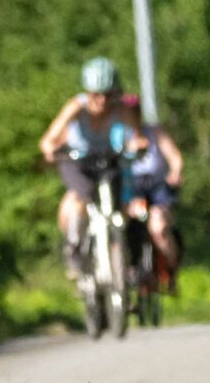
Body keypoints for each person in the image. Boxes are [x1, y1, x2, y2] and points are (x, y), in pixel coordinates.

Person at [37, 57, 150, 275]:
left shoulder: (121, 109)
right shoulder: (75, 107)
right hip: (77, 161)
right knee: (83, 194)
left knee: (121, 203)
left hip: (109, 161)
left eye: (108, 94)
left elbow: (138, 137)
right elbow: (49, 138)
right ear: (87, 92)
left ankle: (122, 256)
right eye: (95, 94)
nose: (102, 100)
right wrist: (51, 148)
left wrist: (138, 145)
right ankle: (74, 246)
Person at [117, 94, 186, 281]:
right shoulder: (118, 137)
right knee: (126, 222)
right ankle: (131, 267)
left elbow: (175, 156)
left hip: (158, 190)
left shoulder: (155, 133)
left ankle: (172, 268)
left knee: (159, 227)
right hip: (133, 191)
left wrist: (176, 171)